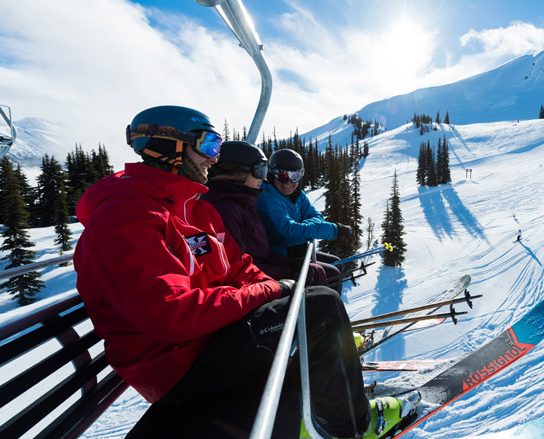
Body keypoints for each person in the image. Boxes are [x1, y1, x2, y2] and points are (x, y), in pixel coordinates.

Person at [73, 106, 374, 438]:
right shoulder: (126, 216)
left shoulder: (196, 209)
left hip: (209, 340)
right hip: (176, 365)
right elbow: (171, 314)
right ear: (167, 146)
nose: (214, 159)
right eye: (208, 146)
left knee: (312, 302)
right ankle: (351, 430)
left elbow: (240, 267)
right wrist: (271, 291)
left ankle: (325, 399)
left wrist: (268, 289)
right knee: (319, 308)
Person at [201, 140, 328, 286]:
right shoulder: (226, 210)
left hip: (261, 274)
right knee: (325, 291)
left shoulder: (246, 202)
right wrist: (287, 272)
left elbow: (262, 253)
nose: (264, 178)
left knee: (319, 272)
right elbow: (238, 269)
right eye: (260, 170)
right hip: (248, 287)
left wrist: (291, 264)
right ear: (237, 171)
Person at [256, 148, 355, 288]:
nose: (288, 181)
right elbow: (287, 232)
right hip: (278, 257)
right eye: (282, 175)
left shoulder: (297, 194)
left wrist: (301, 230)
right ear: (272, 174)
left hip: (293, 252)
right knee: (332, 273)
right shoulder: (267, 197)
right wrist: (334, 230)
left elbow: (316, 217)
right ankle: (323, 307)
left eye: (295, 176)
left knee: (336, 263)